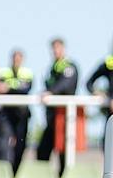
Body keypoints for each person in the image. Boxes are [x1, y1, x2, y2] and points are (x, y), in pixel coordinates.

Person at [34, 37, 79, 170]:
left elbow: (66, 84)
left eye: (58, 48)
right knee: (42, 151)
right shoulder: (52, 68)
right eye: (53, 49)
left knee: (64, 150)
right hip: (52, 117)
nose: (55, 51)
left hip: (64, 117)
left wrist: (51, 92)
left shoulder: (69, 66)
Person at [0, 48, 34, 166]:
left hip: (21, 114)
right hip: (7, 114)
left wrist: (9, 88)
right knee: (5, 143)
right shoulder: (4, 72)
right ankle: (5, 170)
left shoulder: (26, 73)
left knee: (20, 145)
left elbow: (25, 88)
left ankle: (15, 171)